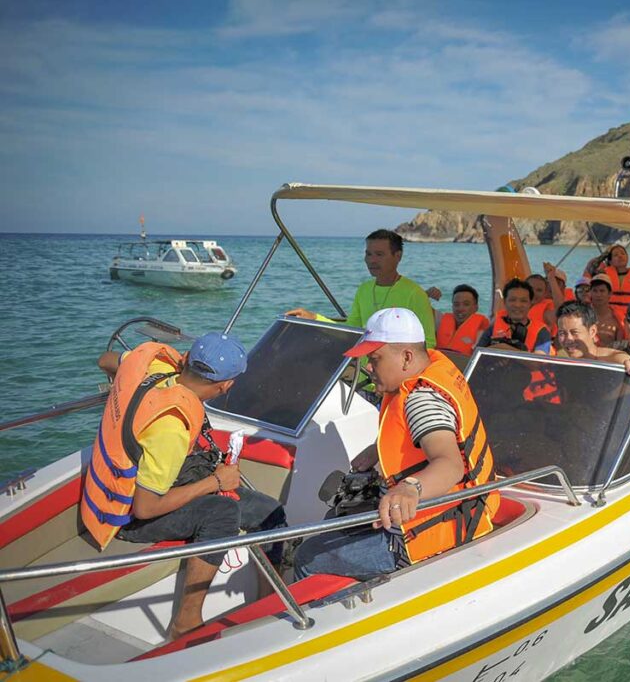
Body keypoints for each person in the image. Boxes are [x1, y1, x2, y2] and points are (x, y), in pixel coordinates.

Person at [88, 334, 286, 639]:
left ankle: (266, 599)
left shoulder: (154, 367)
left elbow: (106, 360)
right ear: (225, 386)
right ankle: (187, 620)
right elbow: (146, 507)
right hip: (129, 513)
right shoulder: (171, 427)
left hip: (125, 484)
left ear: (187, 360)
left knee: (269, 512)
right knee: (221, 512)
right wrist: (216, 481)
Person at [293, 309, 499, 579]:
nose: (368, 367)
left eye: (375, 359)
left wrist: (409, 488)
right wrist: (374, 449)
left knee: (307, 556)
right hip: (465, 508)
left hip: (424, 534)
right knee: (335, 521)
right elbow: (417, 431)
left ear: (406, 357)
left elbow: (450, 464)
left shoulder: (421, 400)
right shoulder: (433, 369)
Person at [286, 229, 436, 348]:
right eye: (368, 254)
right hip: (362, 374)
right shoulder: (364, 289)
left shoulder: (415, 294)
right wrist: (314, 319)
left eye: (379, 254)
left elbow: (428, 343)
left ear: (398, 256)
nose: (372, 260)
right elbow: (350, 331)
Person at [555, 302, 630, 380]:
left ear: (592, 331)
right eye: (562, 333)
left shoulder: (610, 359)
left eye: (574, 332)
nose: (568, 339)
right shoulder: (559, 360)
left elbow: (625, 361)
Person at [478, 278, 553, 354]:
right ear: (504, 302)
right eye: (512, 300)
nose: (517, 305)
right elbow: (477, 353)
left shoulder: (541, 331)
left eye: (523, 301)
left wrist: (502, 347)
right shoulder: (493, 327)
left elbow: (538, 362)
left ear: (530, 304)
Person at [436, 284, 490, 355]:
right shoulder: (440, 321)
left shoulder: (483, 331)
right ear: (452, 306)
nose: (460, 309)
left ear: (476, 307)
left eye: (466, 304)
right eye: (456, 304)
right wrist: (426, 294)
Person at [587, 273, 623, 347]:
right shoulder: (581, 315)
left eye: (602, 291)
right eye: (595, 291)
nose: (598, 294)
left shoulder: (617, 319)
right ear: (590, 293)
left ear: (610, 294)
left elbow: (620, 348)